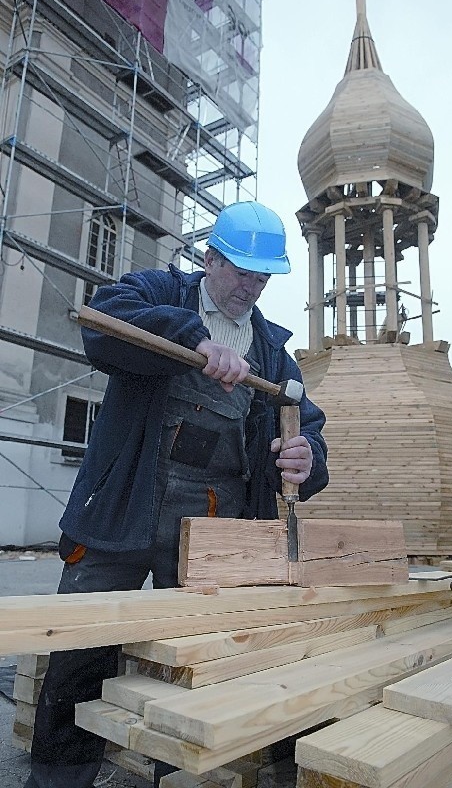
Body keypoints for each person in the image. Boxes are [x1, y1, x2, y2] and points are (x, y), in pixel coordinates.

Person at [24, 200, 329, 788]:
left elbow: (306, 420)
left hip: (214, 527)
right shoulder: (158, 293)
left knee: (186, 665)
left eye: (262, 276)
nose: (251, 286)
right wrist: (192, 338)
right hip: (122, 509)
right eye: (241, 270)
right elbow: (103, 322)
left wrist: (306, 456)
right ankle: (61, 776)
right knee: (84, 649)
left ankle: (179, 775)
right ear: (210, 258)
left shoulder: (270, 350)